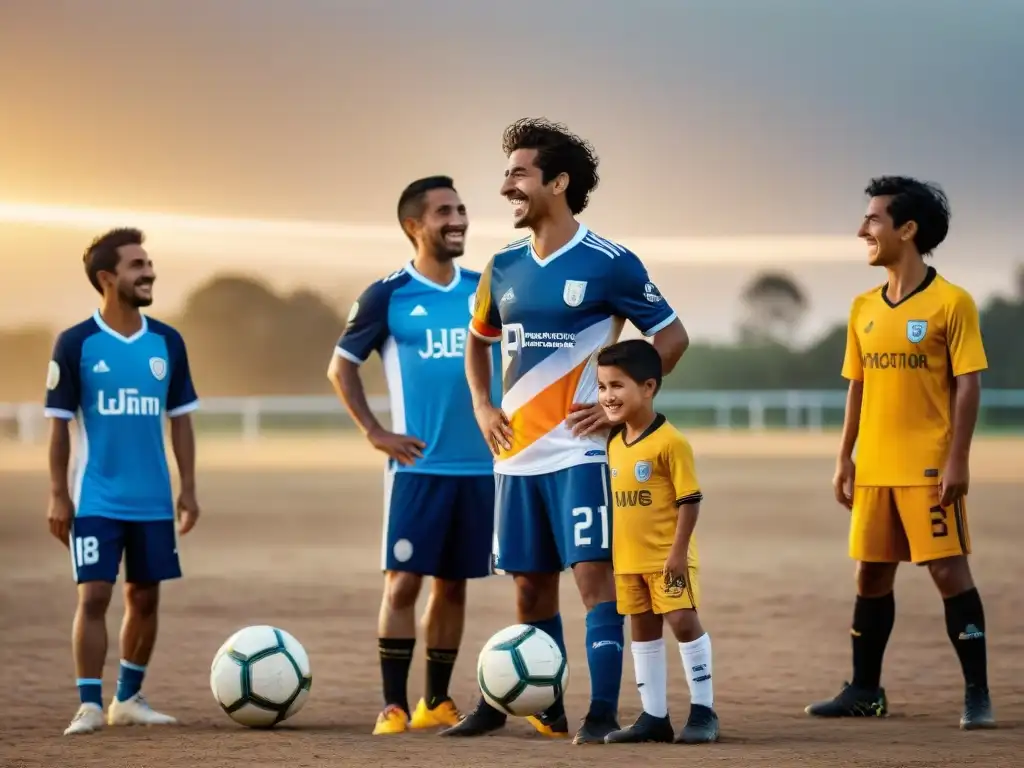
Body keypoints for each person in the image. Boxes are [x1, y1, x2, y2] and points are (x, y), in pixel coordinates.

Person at [446, 118, 689, 744]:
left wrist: (617, 409)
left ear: (558, 183)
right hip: (514, 455)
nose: (506, 187)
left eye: (519, 174)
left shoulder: (610, 263)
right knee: (529, 586)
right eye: (506, 174)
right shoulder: (500, 266)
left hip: (580, 454)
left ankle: (602, 713)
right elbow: (478, 343)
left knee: (592, 578)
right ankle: (544, 706)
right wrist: (481, 404)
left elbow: (671, 337)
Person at [806, 176, 995, 729]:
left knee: (947, 573)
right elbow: (857, 387)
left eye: (874, 219)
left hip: (929, 465)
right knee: (870, 576)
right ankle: (865, 691)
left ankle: (977, 694)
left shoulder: (951, 303)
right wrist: (845, 457)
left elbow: (969, 384)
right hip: (875, 468)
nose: (863, 229)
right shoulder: (863, 307)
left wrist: (958, 460)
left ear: (906, 230)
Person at [328, 176, 501, 735]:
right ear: (414, 226)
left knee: (454, 584)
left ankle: (436, 701)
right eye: (444, 212)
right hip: (417, 469)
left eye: (461, 209)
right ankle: (393, 706)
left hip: (480, 468)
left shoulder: (485, 290)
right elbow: (341, 367)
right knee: (403, 583)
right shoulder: (387, 295)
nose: (458, 220)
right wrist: (375, 431)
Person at [45, 228, 201, 736]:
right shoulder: (76, 343)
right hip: (96, 497)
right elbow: (58, 426)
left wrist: (188, 488)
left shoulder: (167, 342)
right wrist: (57, 494)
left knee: (146, 597)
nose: (149, 272)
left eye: (149, 263)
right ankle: (88, 704)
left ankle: (128, 698)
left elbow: (180, 419)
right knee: (93, 597)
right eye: (137, 265)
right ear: (107, 278)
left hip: (153, 500)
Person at [596, 340, 719, 745]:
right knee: (643, 630)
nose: (608, 396)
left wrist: (679, 552)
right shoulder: (614, 442)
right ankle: (654, 717)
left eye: (617, 386)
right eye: (602, 387)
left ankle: (703, 711)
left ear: (648, 388)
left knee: (682, 621)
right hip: (628, 561)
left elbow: (690, 501)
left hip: (668, 558)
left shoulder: (671, 442)